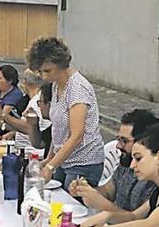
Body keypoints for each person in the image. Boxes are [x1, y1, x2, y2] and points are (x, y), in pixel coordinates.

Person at [26, 36, 104, 189]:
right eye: (40, 71)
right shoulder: (56, 85)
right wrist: (49, 159)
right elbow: (58, 129)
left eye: (47, 70)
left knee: (69, 206)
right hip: (65, 159)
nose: (44, 76)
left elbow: (76, 135)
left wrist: (51, 166)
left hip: (84, 161)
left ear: (60, 64)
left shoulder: (77, 88)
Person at [70, 109, 159, 212]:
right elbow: (108, 191)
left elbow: (137, 222)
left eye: (124, 141)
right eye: (118, 139)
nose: (118, 146)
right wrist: (85, 191)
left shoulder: (156, 179)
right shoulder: (126, 161)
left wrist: (102, 204)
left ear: (143, 142)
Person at [0, 69, 52, 153]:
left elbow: (28, 127)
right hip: (25, 148)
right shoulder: (33, 100)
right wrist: (13, 132)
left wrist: (2, 115)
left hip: (31, 152)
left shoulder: (37, 101)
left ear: (26, 82)